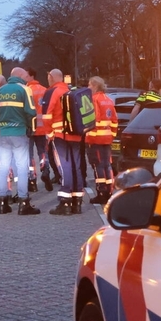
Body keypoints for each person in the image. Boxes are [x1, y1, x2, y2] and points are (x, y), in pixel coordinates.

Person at [0, 68, 41, 215]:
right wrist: (30, 129)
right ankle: (23, 202)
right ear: (19, 76)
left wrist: (1, 125)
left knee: (4, 167)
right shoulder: (24, 90)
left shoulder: (0, 90)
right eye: (25, 75)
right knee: (22, 167)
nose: (27, 77)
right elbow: (31, 112)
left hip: (3, 133)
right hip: (19, 132)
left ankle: (2, 201)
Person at [44, 68, 84, 215]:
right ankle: (77, 201)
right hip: (76, 134)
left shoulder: (52, 92)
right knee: (76, 166)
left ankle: (65, 202)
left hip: (60, 136)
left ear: (51, 77)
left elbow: (47, 115)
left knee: (64, 166)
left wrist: (49, 134)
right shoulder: (72, 91)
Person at [86, 76, 118, 205]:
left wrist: (88, 135)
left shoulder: (93, 100)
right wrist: (112, 135)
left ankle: (101, 192)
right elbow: (115, 120)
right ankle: (109, 191)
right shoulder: (108, 100)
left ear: (94, 86)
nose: (88, 87)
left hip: (95, 139)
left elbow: (94, 119)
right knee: (107, 165)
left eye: (89, 85)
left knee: (97, 166)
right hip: (107, 138)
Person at [24, 67, 47, 193]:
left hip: (30, 128)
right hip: (43, 127)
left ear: (31, 76)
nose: (24, 78)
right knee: (43, 152)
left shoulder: (26, 91)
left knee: (29, 155)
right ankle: (46, 170)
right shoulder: (45, 90)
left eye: (26, 76)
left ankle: (32, 180)